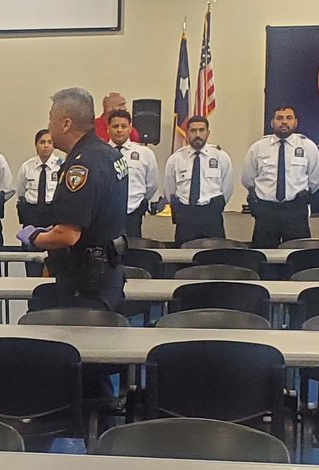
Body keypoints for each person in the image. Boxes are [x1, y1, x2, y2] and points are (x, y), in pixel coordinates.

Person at [17, 87, 126, 311]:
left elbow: (68, 235)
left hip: (86, 284)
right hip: (109, 274)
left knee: (80, 344)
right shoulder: (110, 154)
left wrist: (35, 237)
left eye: (51, 119)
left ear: (66, 124)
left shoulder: (81, 166)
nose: (48, 126)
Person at [241, 105, 319, 248]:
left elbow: (316, 179)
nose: (284, 122)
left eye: (289, 118)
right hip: (267, 212)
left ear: (296, 122)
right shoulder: (258, 148)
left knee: (297, 255)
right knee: (264, 255)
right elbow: (248, 179)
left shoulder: (308, 147)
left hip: (295, 211)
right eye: (279, 118)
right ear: (272, 123)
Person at [164, 115, 233, 245]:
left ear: (208, 133)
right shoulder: (176, 159)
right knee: (184, 259)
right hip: (186, 217)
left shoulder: (220, 157)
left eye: (201, 130)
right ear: (186, 132)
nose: (197, 134)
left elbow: (227, 188)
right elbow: (170, 190)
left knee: (214, 258)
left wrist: (215, 206)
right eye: (193, 131)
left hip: (211, 216)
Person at [106, 109, 161, 238]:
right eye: (115, 126)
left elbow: (152, 185)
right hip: (106, 217)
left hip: (133, 215)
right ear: (108, 129)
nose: (119, 130)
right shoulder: (100, 152)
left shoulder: (145, 153)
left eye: (123, 126)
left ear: (130, 129)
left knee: (133, 253)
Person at [14, 128, 61, 276]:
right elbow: (20, 192)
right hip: (32, 216)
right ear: (36, 145)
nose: (46, 146)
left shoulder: (61, 165)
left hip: (52, 216)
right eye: (42, 142)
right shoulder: (27, 167)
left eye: (49, 142)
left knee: (55, 263)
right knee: (32, 263)